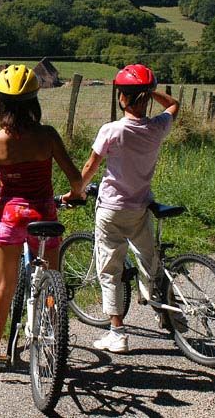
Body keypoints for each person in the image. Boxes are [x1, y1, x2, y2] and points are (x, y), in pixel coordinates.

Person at [0, 64, 84, 372]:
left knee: (4, 287)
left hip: (11, 219)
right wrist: (75, 195)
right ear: (35, 103)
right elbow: (76, 179)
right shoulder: (47, 136)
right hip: (45, 216)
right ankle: (52, 333)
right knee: (53, 280)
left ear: (0, 104)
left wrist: (3, 207)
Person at [66, 63, 179, 353]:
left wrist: (75, 192)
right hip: (140, 206)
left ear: (121, 98)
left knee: (110, 268)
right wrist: (152, 92)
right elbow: (174, 105)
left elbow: (91, 166)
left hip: (112, 209)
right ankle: (160, 304)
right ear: (146, 96)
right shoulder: (156, 128)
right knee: (147, 259)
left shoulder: (112, 131)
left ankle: (117, 333)